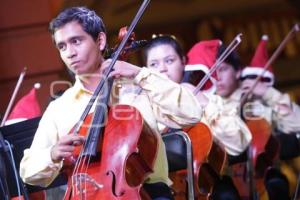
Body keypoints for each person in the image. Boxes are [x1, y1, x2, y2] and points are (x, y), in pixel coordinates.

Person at [19, 7, 205, 200]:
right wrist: (52, 153)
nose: (70, 53)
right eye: (62, 46)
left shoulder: (139, 86)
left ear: (100, 41)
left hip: (145, 191)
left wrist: (139, 74)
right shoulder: (59, 108)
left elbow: (191, 113)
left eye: (76, 41)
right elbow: (27, 170)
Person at [143, 35, 253, 200]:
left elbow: (238, 143)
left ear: (183, 62)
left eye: (169, 60)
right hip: (161, 187)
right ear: (146, 70)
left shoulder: (208, 98)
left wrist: (204, 102)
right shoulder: (141, 104)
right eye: (154, 64)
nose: (162, 69)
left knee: (226, 194)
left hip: (206, 183)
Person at [216, 35, 300, 200]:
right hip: (225, 180)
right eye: (213, 70)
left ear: (238, 71)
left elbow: (297, 124)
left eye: (223, 69)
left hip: (264, 178)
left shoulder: (258, 104)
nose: (217, 77)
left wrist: (267, 93)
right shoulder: (210, 106)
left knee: (276, 183)